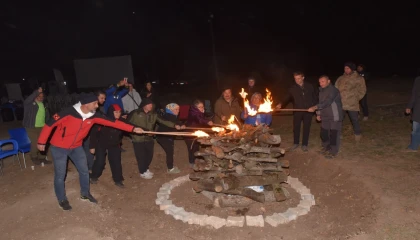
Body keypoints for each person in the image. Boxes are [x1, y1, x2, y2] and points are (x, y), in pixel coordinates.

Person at [37, 93, 144, 211]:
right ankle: (62, 199)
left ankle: (85, 193)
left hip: (77, 147)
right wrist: (42, 141)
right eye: (95, 103)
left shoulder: (94, 116)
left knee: (84, 171)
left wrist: (133, 128)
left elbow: (113, 122)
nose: (97, 106)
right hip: (59, 147)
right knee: (60, 175)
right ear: (86, 104)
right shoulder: (67, 112)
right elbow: (49, 124)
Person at [128, 98, 183, 179]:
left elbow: (164, 121)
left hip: (149, 138)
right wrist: (132, 134)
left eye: (152, 105)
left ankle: (146, 169)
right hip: (138, 139)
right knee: (141, 156)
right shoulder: (135, 113)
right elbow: (127, 124)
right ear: (144, 105)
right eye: (149, 105)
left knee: (149, 155)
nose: (151, 106)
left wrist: (174, 125)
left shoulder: (154, 114)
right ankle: (142, 172)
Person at [276, 71, 317, 152]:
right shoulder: (292, 88)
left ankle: (304, 144)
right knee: (296, 127)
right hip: (297, 110)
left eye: (299, 78)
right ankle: (296, 143)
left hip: (308, 111)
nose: (297, 80)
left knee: (306, 127)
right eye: (295, 79)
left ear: (303, 78)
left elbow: (315, 97)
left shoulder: (310, 86)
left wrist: (314, 107)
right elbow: (286, 97)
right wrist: (280, 104)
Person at [89, 104, 126, 188]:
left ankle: (118, 180)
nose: (118, 114)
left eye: (119, 112)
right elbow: (94, 133)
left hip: (115, 143)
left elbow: (131, 126)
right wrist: (92, 146)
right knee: (100, 161)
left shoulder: (122, 121)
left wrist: (139, 129)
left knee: (116, 161)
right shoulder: (103, 120)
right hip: (101, 143)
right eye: (116, 112)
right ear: (110, 112)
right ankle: (94, 176)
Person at [308, 75, 343, 158]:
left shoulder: (333, 90)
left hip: (334, 116)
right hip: (325, 116)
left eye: (323, 81)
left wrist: (315, 107)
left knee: (334, 134)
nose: (321, 83)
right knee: (324, 133)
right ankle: (326, 147)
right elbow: (320, 102)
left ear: (328, 81)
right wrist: (318, 114)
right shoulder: (321, 91)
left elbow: (328, 102)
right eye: (319, 82)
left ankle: (333, 152)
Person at [335, 62, 366, 142]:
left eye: (348, 68)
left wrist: (356, 98)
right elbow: (335, 88)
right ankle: (338, 134)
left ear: (352, 69)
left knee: (354, 120)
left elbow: (362, 90)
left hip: (352, 104)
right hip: (341, 103)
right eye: (345, 68)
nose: (346, 70)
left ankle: (357, 135)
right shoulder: (341, 78)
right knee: (339, 119)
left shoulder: (359, 78)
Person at [23, 87, 51, 165]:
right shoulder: (30, 104)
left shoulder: (44, 105)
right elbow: (27, 100)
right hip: (31, 126)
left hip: (42, 127)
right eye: (39, 96)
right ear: (35, 96)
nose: (41, 98)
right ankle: (34, 157)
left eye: (42, 97)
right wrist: (37, 91)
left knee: (43, 142)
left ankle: (42, 158)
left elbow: (47, 115)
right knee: (35, 142)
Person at [185, 99, 213, 167]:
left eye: (202, 106)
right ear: (195, 107)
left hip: (196, 132)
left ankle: (197, 160)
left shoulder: (199, 112)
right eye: (200, 107)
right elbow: (199, 119)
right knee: (191, 148)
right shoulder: (193, 113)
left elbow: (201, 118)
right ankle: (191, 162)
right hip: (190, 133)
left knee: (197, 146)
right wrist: (207, 122)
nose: (202, 108)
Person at [83, 90, 106, 171]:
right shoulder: (91, 107)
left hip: (96, 131)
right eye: (102, 98)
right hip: (88, 132)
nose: (104, 100)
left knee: (95, 148)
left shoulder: (98, 108)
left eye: (104, 98)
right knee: (89, 149)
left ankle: (95, 164)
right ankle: (90, 167)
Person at [156, 103, 183, 174]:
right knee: (170, 151)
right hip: (163, 137)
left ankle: (170, 167)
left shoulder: (171, 116)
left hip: (167, 136)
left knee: (170, 150)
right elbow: (172, 123)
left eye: (178, 109)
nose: (178, 111)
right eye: (176, 109)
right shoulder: (169, 116)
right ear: (170, 110)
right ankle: (170, 168)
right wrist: (179, 125)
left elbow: (177, 122)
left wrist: (181, 125)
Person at [405, 74, 420, 152]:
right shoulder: (418, 79)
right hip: (418, 109)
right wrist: (409, 106)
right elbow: (414, 94)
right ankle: (413, 147)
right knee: (415, 129)